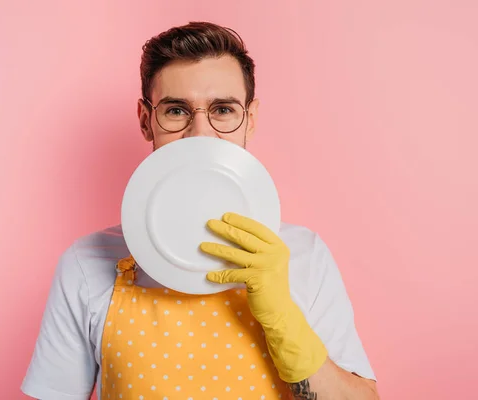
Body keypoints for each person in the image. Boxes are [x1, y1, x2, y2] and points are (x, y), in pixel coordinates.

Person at [21, 21, 380, 400]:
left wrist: (283, 319)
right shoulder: (86, 262)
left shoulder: (303, 255)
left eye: (223, 110)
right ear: (147, 121)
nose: (200, 134)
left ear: (250, 119)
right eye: (176, 111)